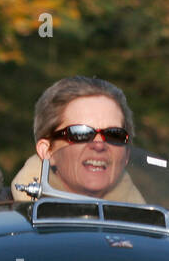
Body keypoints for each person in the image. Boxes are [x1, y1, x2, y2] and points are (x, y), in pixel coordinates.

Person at [10, 76, 145, 203]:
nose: (99, 145)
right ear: (47, 150)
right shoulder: (6, 222)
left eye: (114, 135)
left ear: (126, 154)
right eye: (81, 134)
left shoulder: (152, 223)